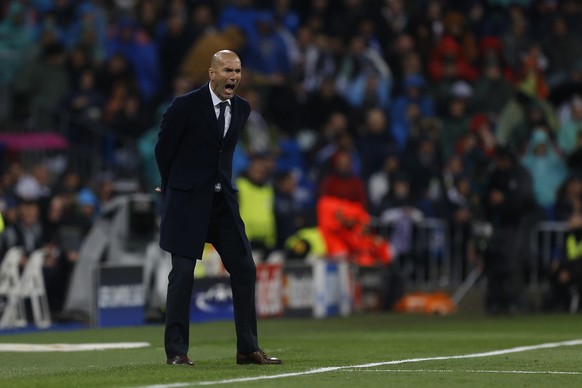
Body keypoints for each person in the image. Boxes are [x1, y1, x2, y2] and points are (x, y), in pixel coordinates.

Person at [154, 50, 282, 366]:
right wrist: (169, 184)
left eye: (238, 71)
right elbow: (164, 148)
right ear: (212, 74)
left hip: (221, 201)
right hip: (187, 201)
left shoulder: (241, 109)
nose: (234, 77)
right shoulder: (185, 105)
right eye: (227, 70)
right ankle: (176, 352)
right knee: (182, 275)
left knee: (245, 268)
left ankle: (247, 348)